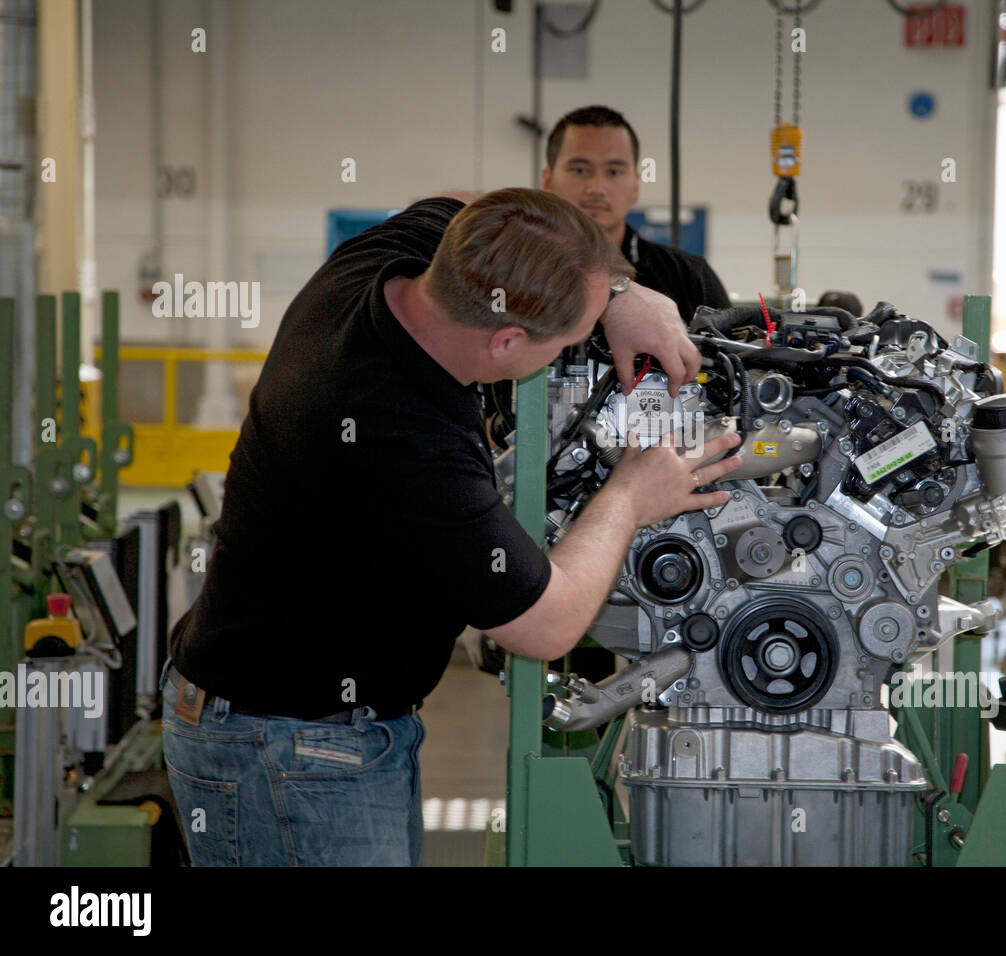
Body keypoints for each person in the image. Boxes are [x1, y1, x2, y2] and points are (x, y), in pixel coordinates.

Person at [160, 187, 744, 866]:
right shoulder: (400, 435)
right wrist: (630, 496)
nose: (571, 351)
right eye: (567, 342)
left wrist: (618, 294)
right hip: (294, 753)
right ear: (506, 341)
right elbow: (546, 623)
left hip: (312, 729)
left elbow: (471, 201)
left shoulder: (379, 266)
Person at [542, 104, 730, 323]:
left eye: (614, 171)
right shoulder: (513, 274)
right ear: (548, 182)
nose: (596, 187)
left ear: (635, 185)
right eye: (580, 170)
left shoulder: (690, 278)